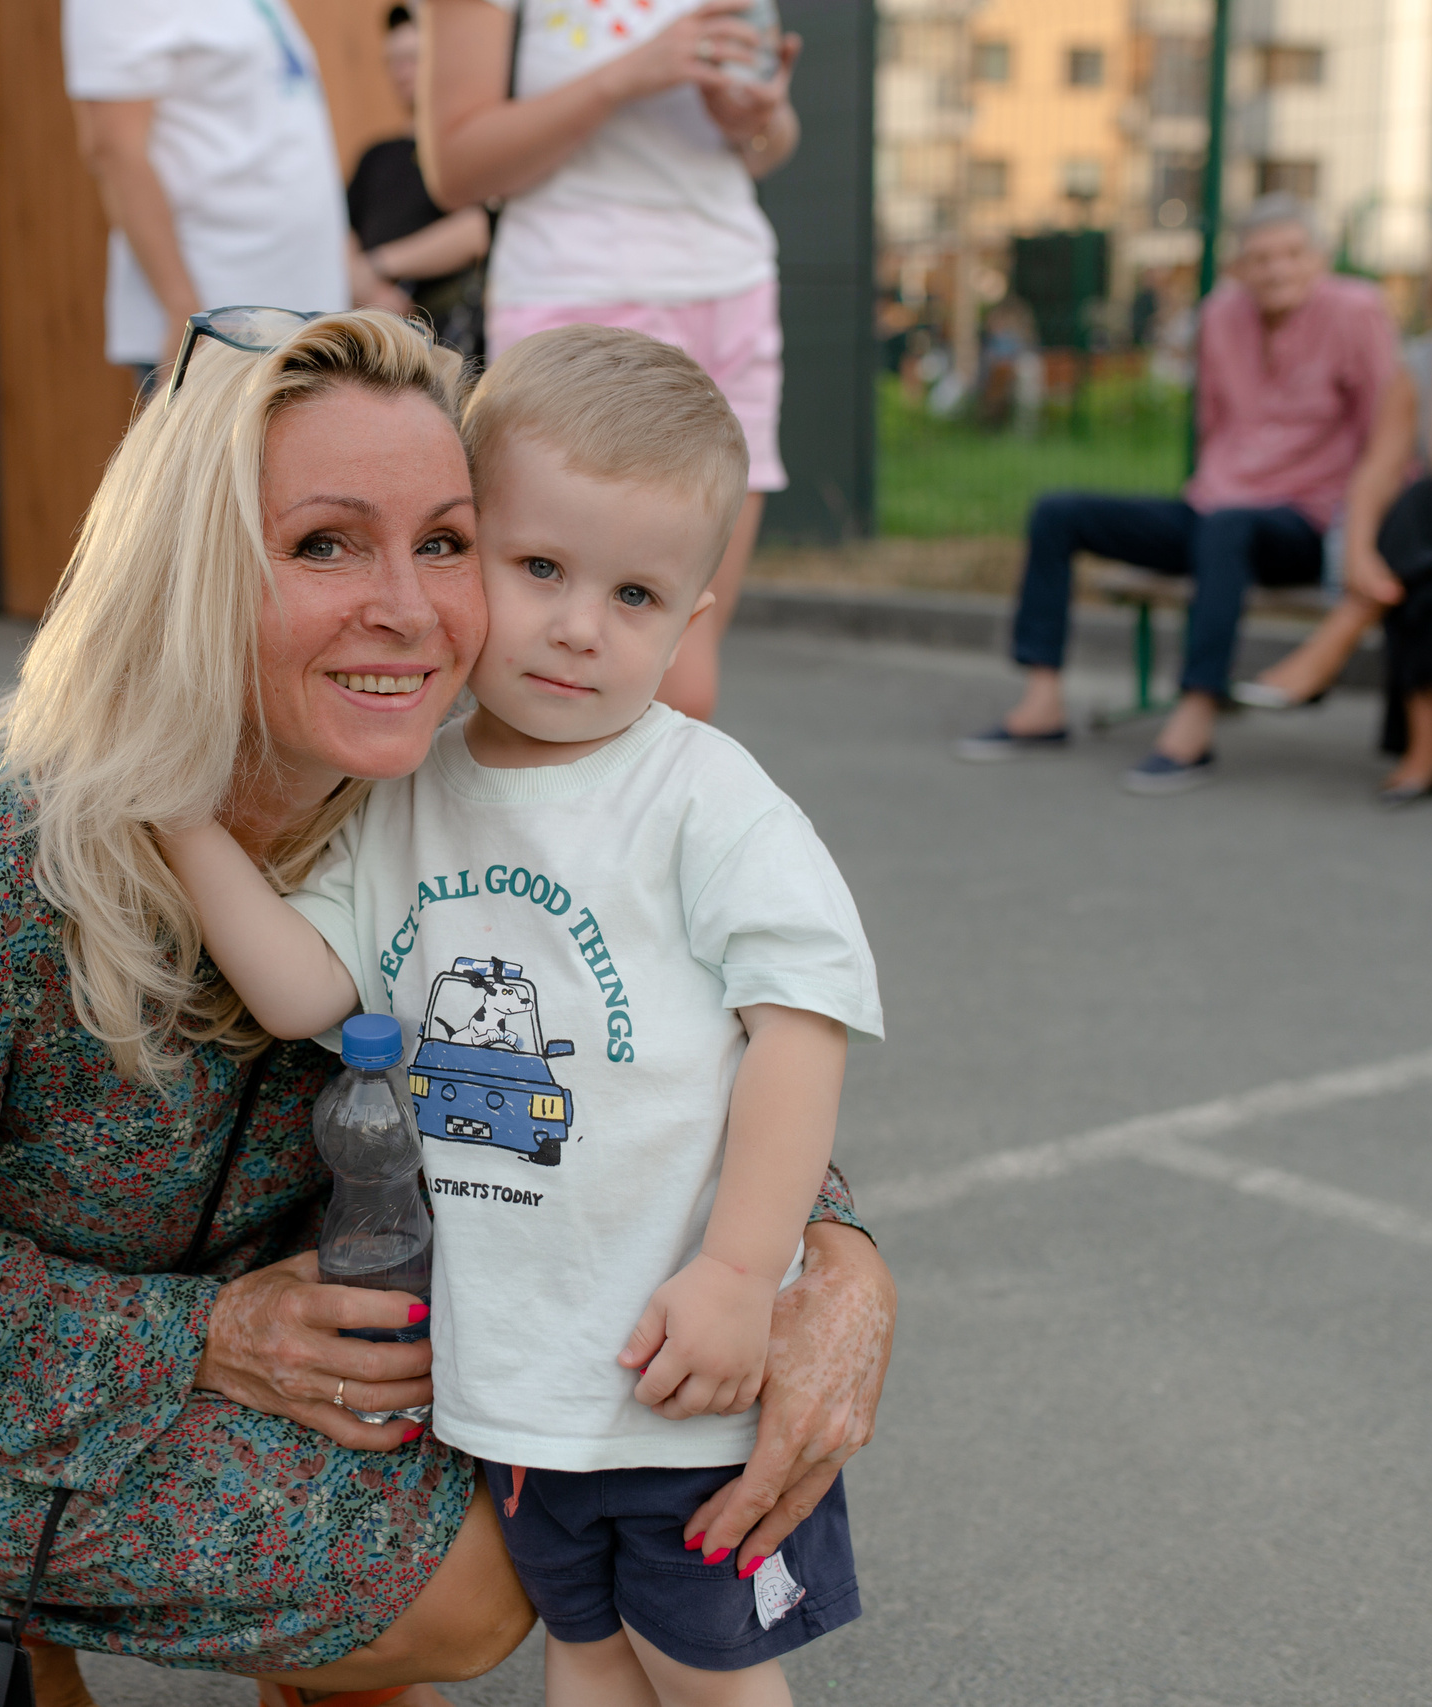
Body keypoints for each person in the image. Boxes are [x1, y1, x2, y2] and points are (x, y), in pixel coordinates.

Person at [0, 309, 896, 1707]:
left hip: (336, 1311)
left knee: (537, 1515)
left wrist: (826, 1250)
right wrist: (202, 1334)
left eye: (447, 541)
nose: (409, 608)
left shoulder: (433, 782)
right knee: (476, 1575)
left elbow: (654, 1037)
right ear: (195, 569)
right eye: (324, 543)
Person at [159, 325, 879, 1707]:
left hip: (683, 1365)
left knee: (709, 1672)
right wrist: (186, 826)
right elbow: (311, 987)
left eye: (634, 592)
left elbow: (802, 1027)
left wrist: (742, 1273)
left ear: (690, 622)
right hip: (520, 1380)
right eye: (537, 566)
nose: (578, 623)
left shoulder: (701, 797)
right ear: (464, 551)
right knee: (587, 1651)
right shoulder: (410, 791)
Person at [418, 0, 801, 721]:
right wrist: (628, 76)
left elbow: (768, 143)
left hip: (733, 290)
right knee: (546, 675)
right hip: (579, 297)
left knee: (683, 677)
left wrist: (755, 116)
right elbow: (455, 167)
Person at [955, 196, 1397, 794]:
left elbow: (1390, 437)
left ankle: (1195, 716)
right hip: (1214, 509)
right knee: (1058, 512)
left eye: (1293, 255)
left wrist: (1366, 536)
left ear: (1320, 259)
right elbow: (1213, 424)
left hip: (1306, 522)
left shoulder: (1357, 311)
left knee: (1229, 524)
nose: (1277, 270)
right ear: (1240, 266)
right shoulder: (1220, 315)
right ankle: (1042, 704)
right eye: (1261, 258)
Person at [1233, 205, 1432, 815]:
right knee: (1419, 566)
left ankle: (1331, 645)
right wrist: (1361, 556)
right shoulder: (1416, 361)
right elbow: (1374, 472)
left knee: (1430, 507)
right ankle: (1423, 757)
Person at [64, 0, 401, 390]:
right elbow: (113, 150)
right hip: (222, 334)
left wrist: (353, 275)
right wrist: (184, 312)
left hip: (299, 325)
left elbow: (282, 136)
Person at [346, 5, 490, 357]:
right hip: (377, 337)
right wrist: (367, 287)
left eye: (412, 58)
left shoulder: (467, 147)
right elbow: (340, 230)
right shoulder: (376, 156)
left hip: (452, 334)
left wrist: (380, 266)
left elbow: (479, 228)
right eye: (393, 62)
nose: (402, 72)